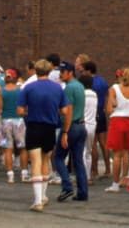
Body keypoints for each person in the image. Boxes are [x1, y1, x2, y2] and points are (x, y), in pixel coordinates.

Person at [20, 58, 68, 213]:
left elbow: (20, 110)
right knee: (46, 159)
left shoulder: (29, 87)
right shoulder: (58, 88)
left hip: (34, 125)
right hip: (50, 126)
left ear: (35, 70)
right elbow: (65, 111)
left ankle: (37, 200)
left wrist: (29, 112)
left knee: (35, 161)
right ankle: (44, 195)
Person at [53, 60, 89, 203]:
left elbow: (68, 111)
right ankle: (83, 191)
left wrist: (65, 132)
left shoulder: (68, 88)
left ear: (70, 73)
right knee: (78, 160)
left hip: (71, 126)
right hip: (81, 125)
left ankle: (67, 186)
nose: (61, 74)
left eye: (63, 72)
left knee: (59, 157)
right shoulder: (80, 86)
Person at [105, 67, 129, 193]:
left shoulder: (114, 89)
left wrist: (115, 106)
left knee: (117, 155)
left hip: (117, 121)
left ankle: (115, 184)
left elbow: (109, 110)